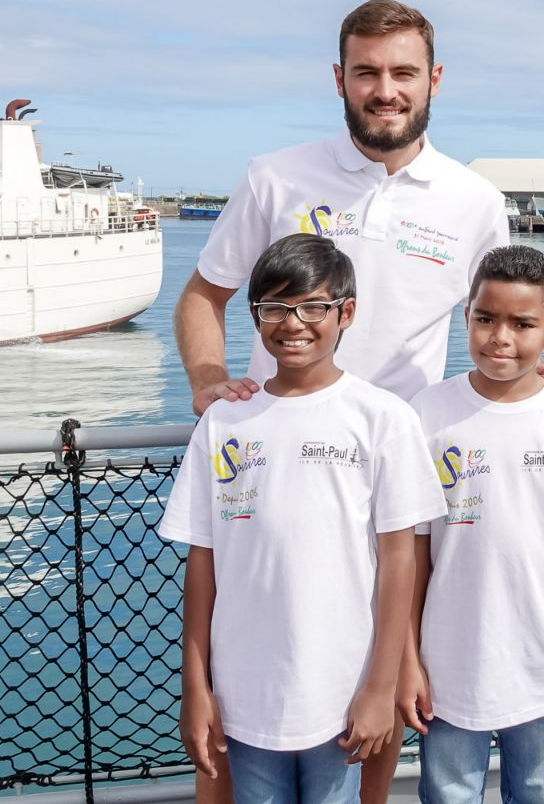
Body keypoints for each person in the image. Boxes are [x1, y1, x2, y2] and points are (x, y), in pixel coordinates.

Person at [173, 0, 544, 803]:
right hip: (270, 465)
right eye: (367, 72)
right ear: (339, 78)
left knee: (377, 705)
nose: (385, 89)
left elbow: (506, 318)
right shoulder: (274, 177)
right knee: (233, 707)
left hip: (397, 479)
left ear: (434, 80)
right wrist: (205, 383)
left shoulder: (473, 200)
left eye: (403, 72)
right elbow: (201, 299)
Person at [159, 234, 446, 803]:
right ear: (255, 316)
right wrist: (197, 685)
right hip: (244, 698)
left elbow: (398, 561)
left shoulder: (383, 418)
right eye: (274, 308)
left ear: (346, 313)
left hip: (343, 692)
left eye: (313, 307)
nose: (293, 324)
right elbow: (202, 562)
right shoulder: (224, 423)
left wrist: (380, 685)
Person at [401, 246, 544, 804]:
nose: (500, 337)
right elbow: (414, 554)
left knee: (541, 795)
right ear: (467, 317)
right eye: (485, 318)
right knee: (447, 795)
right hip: (448, 662)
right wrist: (409, 658)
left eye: (522, 323)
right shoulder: (426, 415)